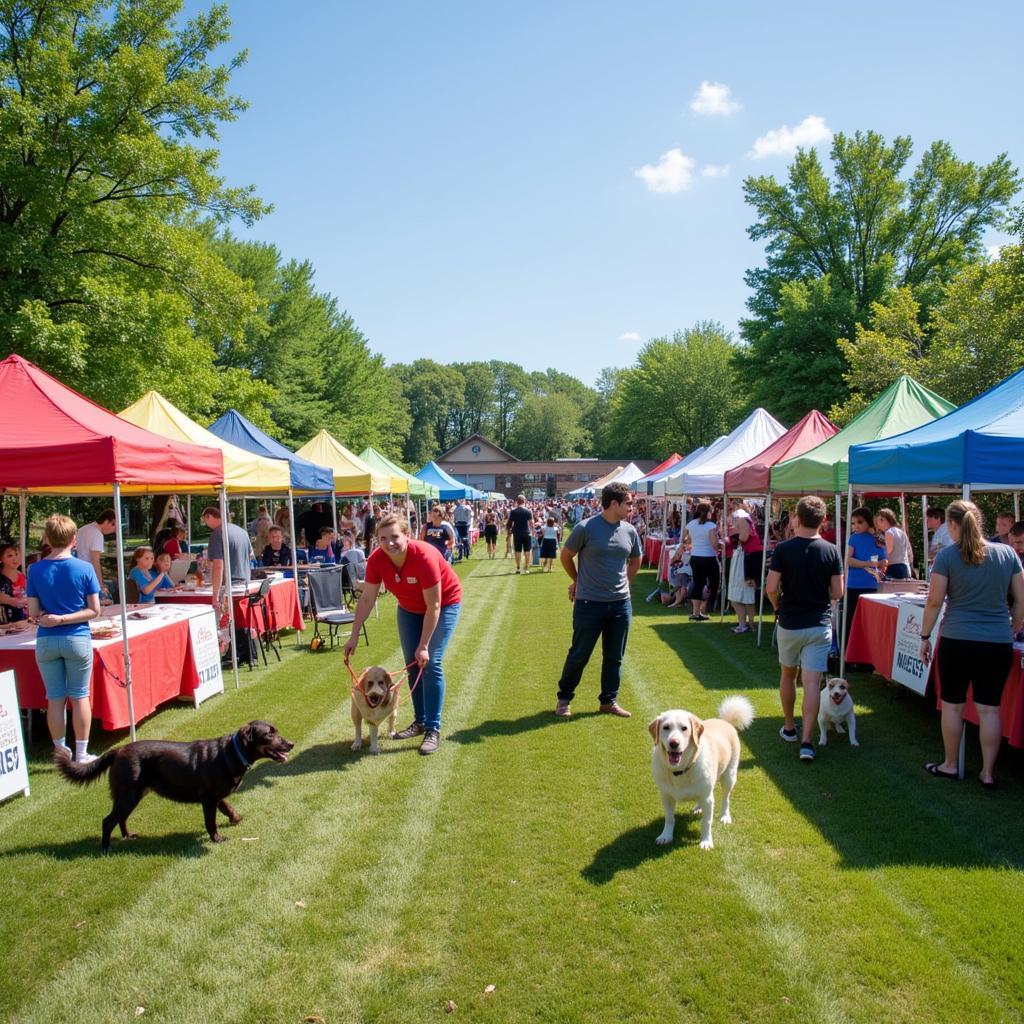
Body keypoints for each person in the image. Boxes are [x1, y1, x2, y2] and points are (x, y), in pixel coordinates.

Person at [920, 500, 1024, 788]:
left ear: (952, 525)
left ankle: (951, 764)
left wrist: (925, 636)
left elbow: (934, 601)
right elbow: (1022, 598)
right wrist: (1013, 626)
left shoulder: (948, 556)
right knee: (989, 709)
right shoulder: (1007, 553)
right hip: (997, 642)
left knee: (953, 706)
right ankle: (988, 773)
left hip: (957, 640)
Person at [343, 514, 462, 755]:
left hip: (443, 605)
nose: (389, 543)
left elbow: (434, 606)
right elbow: (367, 598)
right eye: (383, 538)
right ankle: (420, 721)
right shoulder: (377, 560)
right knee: (412, 666)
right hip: (409, 608)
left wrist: (425, 644)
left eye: (395, 537)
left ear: (407, 535)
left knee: (430, 663)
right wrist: (353, 635)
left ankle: (432, 729)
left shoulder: (424, 557)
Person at [765, 495, 844, 763]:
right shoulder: (832, 550)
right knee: (812, 683)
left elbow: (771, 587)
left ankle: (790, 727)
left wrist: (777, 607)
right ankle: (807, 740)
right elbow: (838, 591)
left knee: (788, 675)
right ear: (823, 520)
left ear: (797, 518)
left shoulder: (784, 549)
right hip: (818, 623)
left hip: (790, 622)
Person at [553, 482, 642, 719]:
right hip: (589, 604)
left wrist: (627, 584)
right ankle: (564, 699)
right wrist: (578, 579)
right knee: (579, 653)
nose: (631, 508)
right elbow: (566, 555)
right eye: (628, 503)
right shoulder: (586, 527)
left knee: (614, 656)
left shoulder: (630, 530)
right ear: (614, 504)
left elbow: (636, 560)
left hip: (620, 604)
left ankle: (609, 701)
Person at [26, 514, 102, 762]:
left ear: (47, 537)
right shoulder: (84, 568)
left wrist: (54, 618)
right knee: (80, 695)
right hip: (76, 637)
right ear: (73, 539)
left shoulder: (34, 569)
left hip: (46, 640)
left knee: (55, 697)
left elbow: (34, 612)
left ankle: (60, 751)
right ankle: (81, 753)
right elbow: (95, 610)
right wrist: (64, 619)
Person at [843, 506, 884, 653]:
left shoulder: (877, 540)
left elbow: (884, 560)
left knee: (868, 622)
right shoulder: (853, 537)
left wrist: (878, 565)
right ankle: (849, 653)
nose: (856, 526)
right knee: (851, 621)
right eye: (853, 523)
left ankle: (867, 654)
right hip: (854, 585)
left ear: (868, 522)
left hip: (871, 584)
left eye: (859, 522)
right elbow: (848, 560)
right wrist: (867, 563)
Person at [202, 506, 253, 609]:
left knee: (226, 622)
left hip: (229, 588)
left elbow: (218, 566)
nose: (206, 524)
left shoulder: (217, 534)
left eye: (205, 520)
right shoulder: (242, 531)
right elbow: (250, 555)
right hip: (245, 584)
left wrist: (215, 595)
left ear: (209, 517)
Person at [726, 509, 762, 634]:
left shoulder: (742, 521)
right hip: (745, 558)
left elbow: (744, 537)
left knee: (745, 592)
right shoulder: (744, 521)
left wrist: (733, 533)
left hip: (746, 559)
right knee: (742, 594)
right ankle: (747, 623)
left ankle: (747, 624)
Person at [685, 501, 720, 622]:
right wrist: (721, 545)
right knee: (714, 582)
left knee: (698, 584)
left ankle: (696, 612)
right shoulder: (711, 526)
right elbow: (714, 544)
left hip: (695, 557)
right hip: (708, 557)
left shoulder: (691, 524)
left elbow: (688, 541)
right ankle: (706, 608)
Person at [74, 508, 116, 601]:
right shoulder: (97, 534)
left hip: (77, 572)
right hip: (88, 575)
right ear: (106, 521)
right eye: (114, 525)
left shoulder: (82, 529)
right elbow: (95, 561)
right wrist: (100, 585)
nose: (114, 530)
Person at [875, 508, 913, 580]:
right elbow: (909, 551)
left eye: (879, 521)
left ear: (885, 520)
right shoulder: (901, 531)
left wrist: (880, 549)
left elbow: (888, 551)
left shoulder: (889, 532)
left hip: (894, 568)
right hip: (905, 568)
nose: (878, 524)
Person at [505, 494, 534, 575]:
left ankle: (518, 568)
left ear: (517, 502)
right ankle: (527, 568)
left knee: (517, 551)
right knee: (527, 551)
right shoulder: (528, 511)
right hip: (526, 532)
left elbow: (510, 523)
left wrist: (509, 531)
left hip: (517, 533)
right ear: (524, 501)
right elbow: (532, 523)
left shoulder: (513, 511)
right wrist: (533, 531)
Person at [0, 542, 28, 623]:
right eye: (10, 556)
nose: (15, 558)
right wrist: (10, 600)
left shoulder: (23, 576)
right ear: (1, 559)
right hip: (4, 625)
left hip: (24, 623)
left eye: (16, 554)